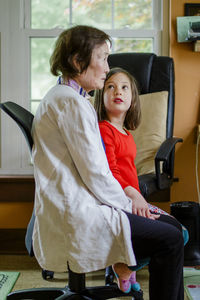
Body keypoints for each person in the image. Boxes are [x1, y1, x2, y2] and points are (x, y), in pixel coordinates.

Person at [31, 25, 184, 300]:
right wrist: (130, 205)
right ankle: (127, 268)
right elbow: (98, 174)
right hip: (78, 210)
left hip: (78, 200)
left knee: (170, 229)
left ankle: (126, 266)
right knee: (170, 238)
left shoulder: (71, 98)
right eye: (102, 57)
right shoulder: (70, 104)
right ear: (78, 61)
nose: (107, 67)